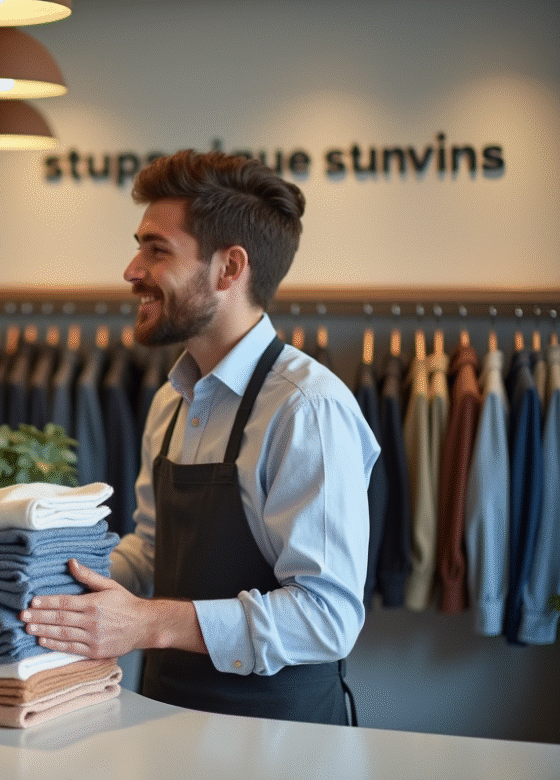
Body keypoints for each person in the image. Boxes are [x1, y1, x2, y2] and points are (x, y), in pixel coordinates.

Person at [19, 149, 380, 725]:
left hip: (281, 742)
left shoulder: (306, 409)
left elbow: (327, 617)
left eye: (156, 250)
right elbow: (152, 552)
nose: (131, 270)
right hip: (163, 716)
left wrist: (148, 623)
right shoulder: (172, 400)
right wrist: (28, 556)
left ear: (229, 269)